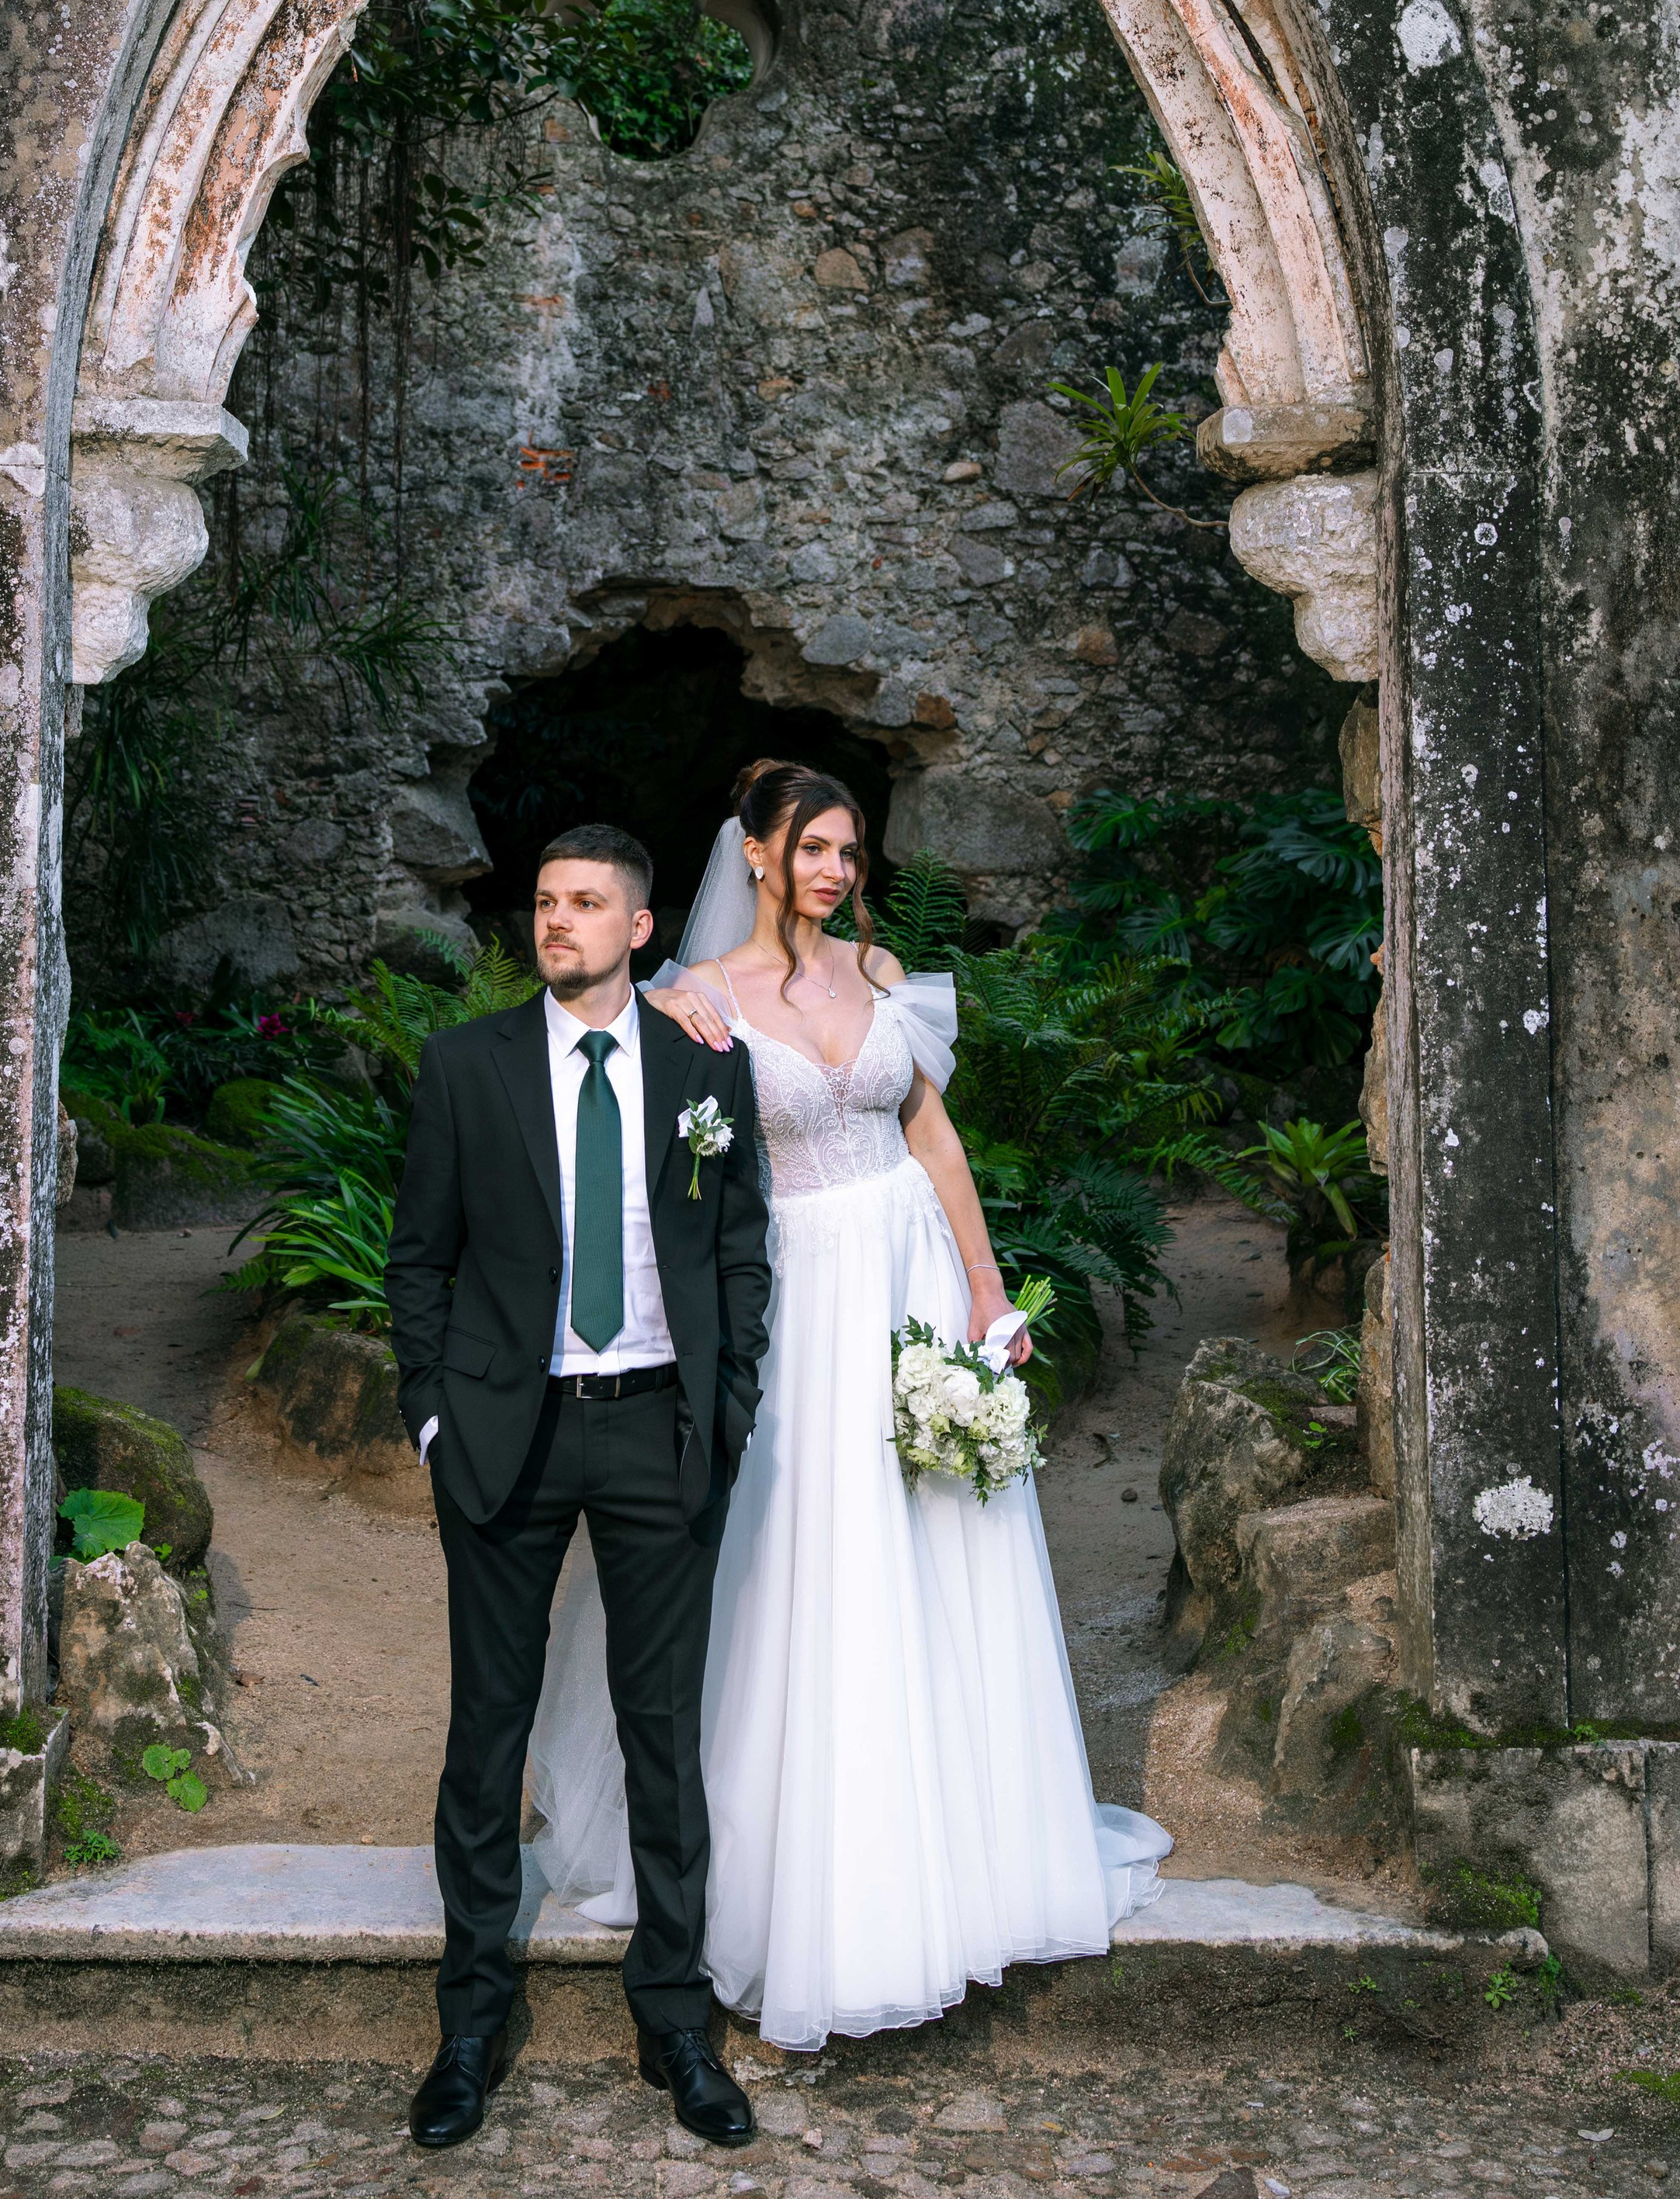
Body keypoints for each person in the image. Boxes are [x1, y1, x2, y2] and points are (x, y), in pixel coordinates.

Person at [528, 760, 1169, 2055]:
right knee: (801, 1569)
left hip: (911, 1278)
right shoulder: (697, 1004)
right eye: (813, 848)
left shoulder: (881, 984)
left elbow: (934, 1139)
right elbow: (663, 1170)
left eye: (848, 850)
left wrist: (986, 1299)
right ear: (758, 857)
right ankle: (803, 1886)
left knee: (942, 1554)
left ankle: (966, 1857)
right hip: (799, 1300)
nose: (835, 869)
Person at [386, 823, 771, 2149]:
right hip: (509, 1432)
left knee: (661, 1736)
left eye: (587, 903)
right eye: (545, 902)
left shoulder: (702, 1066)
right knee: (487, 1734)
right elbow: (417, 1259)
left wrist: (728, 1410)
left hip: (661, 1426)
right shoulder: (464, 1066)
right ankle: (472, 2021)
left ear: (642, 927)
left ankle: (676, 2020)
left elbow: (739, 1246)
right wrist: (433, 1417)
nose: (558, 921)